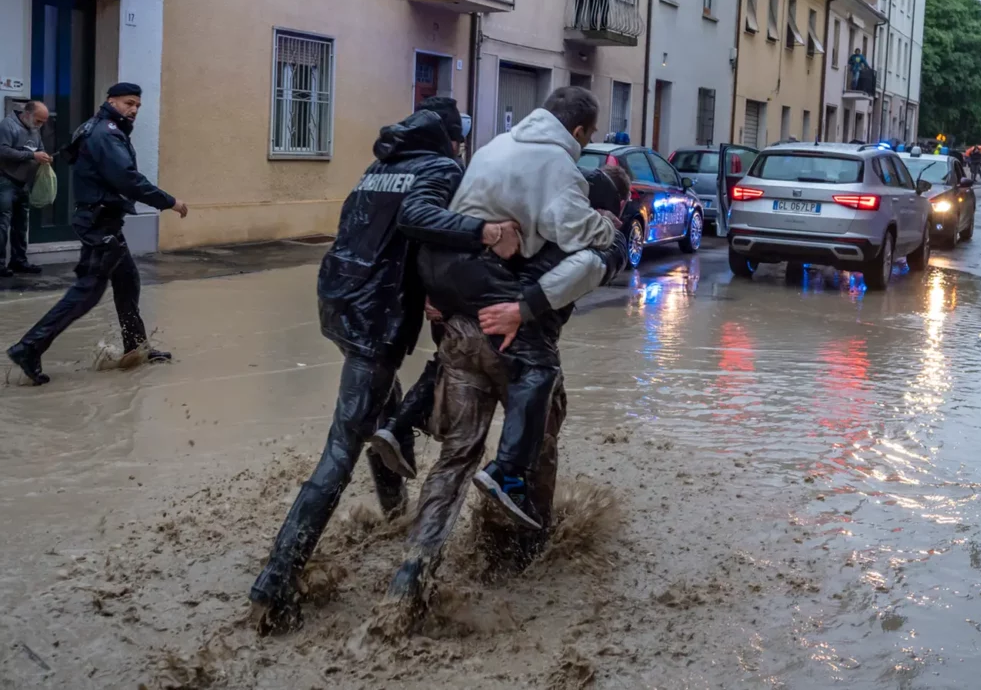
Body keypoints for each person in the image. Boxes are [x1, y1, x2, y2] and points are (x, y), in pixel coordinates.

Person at [248, 97, 520, 633]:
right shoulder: (439, 167)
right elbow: (419, 220)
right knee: (341, 447)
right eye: (460, 134)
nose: (463, 144)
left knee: (377, 407)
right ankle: (276, 579)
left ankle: (393, 512)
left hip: (340, 302)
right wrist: (484, 233)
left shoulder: (383, 165)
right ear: (449, 136)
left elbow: (377, 231)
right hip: (377, 317)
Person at [383, 167, 630, 609]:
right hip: (525, 350)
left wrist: (438, 296)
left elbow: (454, 242)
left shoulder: (515, 210)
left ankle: (414, 569)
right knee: (536, 451)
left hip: (464, 337)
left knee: (455, 458)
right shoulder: (590, 236)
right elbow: (595, 264)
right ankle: (521, 554)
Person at [6, 84, 187, 385]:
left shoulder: (96, 126)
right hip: (99, 222)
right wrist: (169, 202)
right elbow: (127, 178)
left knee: (128, 281)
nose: (134, 110)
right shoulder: (106, 133)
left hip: (104, 220)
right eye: (129, 103)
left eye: (138, 106)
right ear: (111, 101)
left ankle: (136, 347)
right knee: (88, 291)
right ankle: (29, 347)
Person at [0, 100, 52, 277]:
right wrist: (32, 155)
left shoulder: (34, 129)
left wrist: (44, 157)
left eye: (43, 122)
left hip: (23, 182)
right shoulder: (8, 126)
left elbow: (40, 148)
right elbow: (3, 151)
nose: (40, 125)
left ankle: (19, 260)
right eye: (38, 121)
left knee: (21, 224)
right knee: (2, 223)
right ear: (27, 114)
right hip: (5, 180)